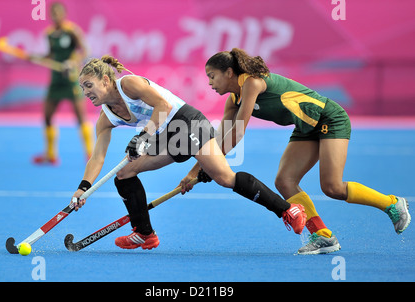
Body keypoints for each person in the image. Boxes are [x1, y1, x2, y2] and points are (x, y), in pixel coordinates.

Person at [180, 48, 411, 255]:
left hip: (329, 117)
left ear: (229, 72)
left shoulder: (251, 83)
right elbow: (217, 141)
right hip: (305, 127)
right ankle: (322, 235)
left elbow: (237, 135)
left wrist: (210, 167)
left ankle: (391, 203)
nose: (209, 83)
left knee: (332, 187)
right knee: (285, 181)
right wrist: (195, 171)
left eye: (212, 76)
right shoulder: (232, 101)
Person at [70, 55, 307, 250]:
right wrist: (84, 187)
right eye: (82, 88)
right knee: (124, 174)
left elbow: (163, 105)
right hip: (165, 134)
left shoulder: (128, 84)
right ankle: (145, 233)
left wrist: (143, 138)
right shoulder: (105, 118)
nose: (86, 92)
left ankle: (288, 210)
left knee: (224, 177)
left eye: (88, 85)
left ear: (105, 80)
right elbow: (97, 156)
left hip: (187, 122)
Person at [33, 2, 94, 165]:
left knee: (81, 118)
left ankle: (90, 154)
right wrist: (37, 58)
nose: (56, 16)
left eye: (58, 13)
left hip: (71, 79)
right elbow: (51, 54)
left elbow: (85, 51)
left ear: (64, 14)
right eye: (53, 13)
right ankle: (51, 154)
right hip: (56, 80)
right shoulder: (50, 34)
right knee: (47, 116)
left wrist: (73, 63)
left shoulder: (72, 31)